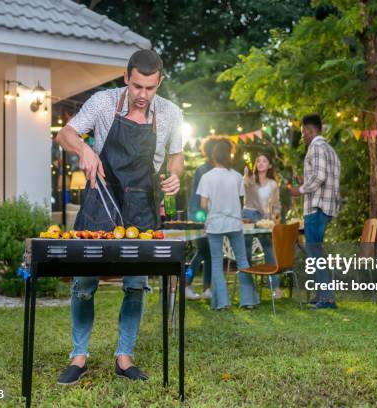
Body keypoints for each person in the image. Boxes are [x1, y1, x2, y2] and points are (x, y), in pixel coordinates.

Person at [55, 49, 184, 384]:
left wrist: (175, 176)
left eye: (150, 88)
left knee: (136, 284)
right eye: (137, 86)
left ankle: (124, 358)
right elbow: (65, 134)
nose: (142, 95)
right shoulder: (102, 102)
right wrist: (84, 149)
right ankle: (79, 357)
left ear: (160, 83)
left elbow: (176, 157)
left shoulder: (171, 114)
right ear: (126, 77)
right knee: (85, 283)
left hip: (142, 205)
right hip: (101, 198)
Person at [196, 138, 259, 310]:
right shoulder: (237, 176)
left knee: (216, 263)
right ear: (229, 156)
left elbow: (202, 205)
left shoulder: (206, 177)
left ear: (214, 157)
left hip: (215, 224)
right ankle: (248, 301)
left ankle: (222, 303)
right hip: (234, 223)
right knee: (242, 261)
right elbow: (241, 199)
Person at [290, 113, 340, 309]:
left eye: (304, 133)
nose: (303, 137)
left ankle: (326, 299)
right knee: (316, 251)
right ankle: (322, 295)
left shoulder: (316, 146)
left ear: (312, 131)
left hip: (316, 207)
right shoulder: (329, 149)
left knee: (315, 253)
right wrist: (304, 182)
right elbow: (324, 178)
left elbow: (319, 177)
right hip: (325, 206)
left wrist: (299, 190)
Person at [242, 153, 282, 298]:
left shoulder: (273, 184)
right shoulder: (250, 180)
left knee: (269, 251)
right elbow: (244, 188)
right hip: (248, 217)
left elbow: (276, 205)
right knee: (246, 253)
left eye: (264, 161)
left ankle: (276, 288)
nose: (260, 163)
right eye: (258, 160)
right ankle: (249, 289)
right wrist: (245, 176)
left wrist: (276, 217)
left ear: (269, 165)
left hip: (264, 220)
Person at [185, 136, 219, 300]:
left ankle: (206, 289)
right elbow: (199, 198)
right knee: (202, 251)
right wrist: (200, 218)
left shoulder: (219, 169)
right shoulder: (203, 170)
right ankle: (186, 282)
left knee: (208, 252)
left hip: (212, 216)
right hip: (200, 215)